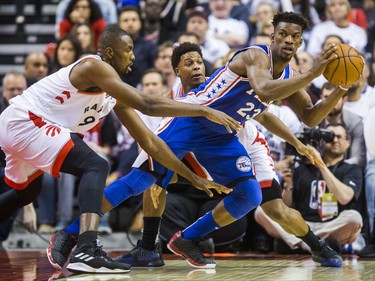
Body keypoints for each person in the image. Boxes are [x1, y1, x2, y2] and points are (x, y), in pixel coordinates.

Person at [48, 12, 353, 269]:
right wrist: (314, 72)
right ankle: (71, 234)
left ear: (300, 42)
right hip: (192, 118)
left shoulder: (290, 73)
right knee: (142, 181)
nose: (288, 39)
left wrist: (340, 89)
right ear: (273, 36)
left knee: (249, 195)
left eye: (294, 36)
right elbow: (265, 90)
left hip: (222, 133)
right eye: (282, 33)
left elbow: (311, 117)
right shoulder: (256, 55)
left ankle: (187, 238)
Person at [0, 25, 237, 274]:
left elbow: (151, 143)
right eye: (128, 49)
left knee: (26, 194)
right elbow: (147, 103)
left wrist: (194, 178)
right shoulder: (94, 66)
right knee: (96, 164)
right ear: (111, 53)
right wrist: (204, 108)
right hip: (26, 121)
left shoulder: (112, 92)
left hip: (19, 127)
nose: (133, 56)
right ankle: (86, 248)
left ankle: (84, 247)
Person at [256, 123, 363, 254]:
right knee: (262, 211)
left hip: (332, 225)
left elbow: (345, 198)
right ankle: (314, 244)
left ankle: (303, 243)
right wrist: (288, 185)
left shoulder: (352, 169)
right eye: (330, 137)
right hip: (301, 224)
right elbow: (285, 206)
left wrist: (321, 164)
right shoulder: (301, 169)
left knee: (354, 218)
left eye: (339, 137)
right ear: (322, 141)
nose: (335, 140)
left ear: (347, 143)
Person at [0, 71, 37, 249]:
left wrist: (27, 206)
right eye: (11, 89)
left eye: (20, 89)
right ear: (3, 91)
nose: (15, 93)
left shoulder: (35, 112)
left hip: (14, 170)